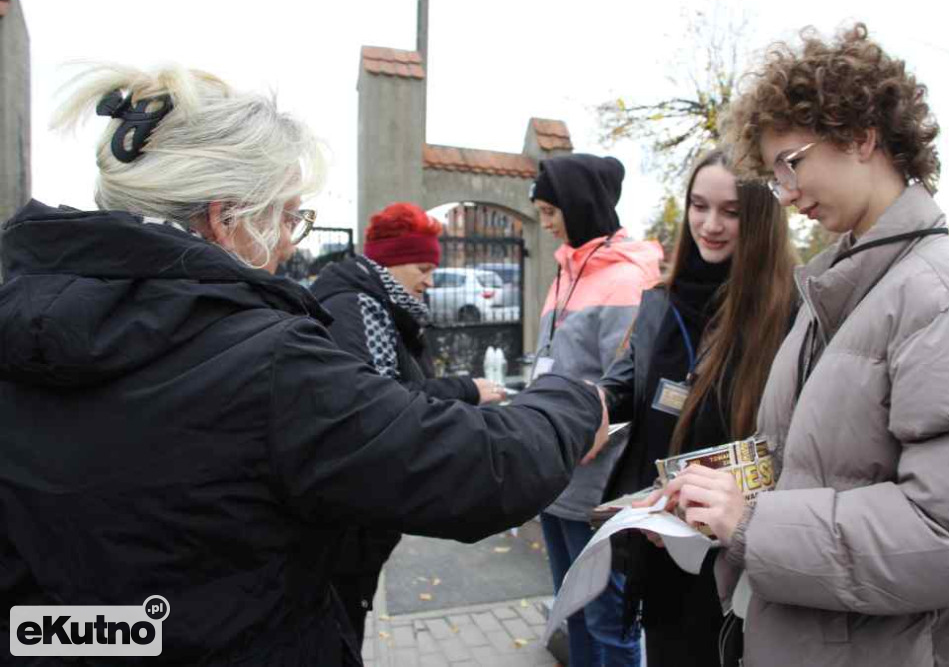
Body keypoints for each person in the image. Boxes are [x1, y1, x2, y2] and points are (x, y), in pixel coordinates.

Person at [0, 64, 610, 666]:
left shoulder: (20, 321)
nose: (292, 241)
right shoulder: (261, 358)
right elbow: (478, 468)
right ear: (225, 217)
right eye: (288, 215)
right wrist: (574, 400)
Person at [651, 23, 949, 666]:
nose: (787, 193)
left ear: (861, 136)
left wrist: (751, 525)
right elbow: (813, 467)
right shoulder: (842, 288)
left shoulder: (943, 296)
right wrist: (708, 497)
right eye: (774, 177)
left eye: (791, 164)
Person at [600, 149, 795, 666]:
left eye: (730, 211)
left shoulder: (786, 314)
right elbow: (626, 383)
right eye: (699, 206)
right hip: (659, 550)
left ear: (759, 218)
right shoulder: (661, 302)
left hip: (733, 560)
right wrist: (588, 403)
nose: (710, 225)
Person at [310, 201, 505, 646]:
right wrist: (466, 390)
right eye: (422, 265)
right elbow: (384, 404)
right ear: (391, 263)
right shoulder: (358, 308)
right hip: (345, 520)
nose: (430, 279)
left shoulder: (381, 307)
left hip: (357, 519)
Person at [530, 153, 662, 667]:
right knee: (573, 608)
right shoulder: (567, 269)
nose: (545, 224)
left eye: (549, 210)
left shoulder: (628, 278)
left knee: (609, 620)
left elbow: (631, 385)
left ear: (577, 205)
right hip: (553, 470)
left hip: (598, 480)